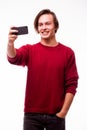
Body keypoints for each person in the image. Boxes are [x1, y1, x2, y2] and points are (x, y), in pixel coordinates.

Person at [7, 9, 79, 130]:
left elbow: (72, 85)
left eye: (47, 23)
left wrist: (62, 113)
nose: (44, 27)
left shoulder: (68, 53)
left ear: (55, 26)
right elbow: (13, 58)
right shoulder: (30, 50)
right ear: (37, 28)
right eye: (40, 24)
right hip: (32, 117)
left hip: (56, 117)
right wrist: (10, 43)